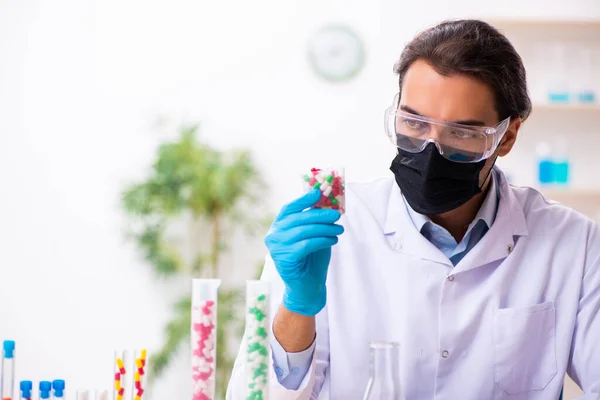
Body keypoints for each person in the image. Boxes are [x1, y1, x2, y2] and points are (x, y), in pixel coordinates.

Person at [226, 19, 600, 399]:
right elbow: (253, 394)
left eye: (463, 132)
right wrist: (297, 305)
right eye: (414, 122)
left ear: (508, 136)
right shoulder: (330, 228)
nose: (431, 149)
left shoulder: (574, 243)